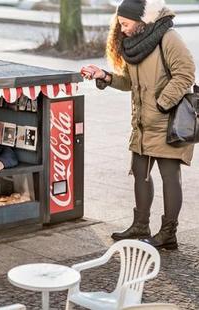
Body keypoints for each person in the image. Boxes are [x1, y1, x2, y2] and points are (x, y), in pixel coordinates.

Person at [81, 0, 195, 250]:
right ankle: (141, 225)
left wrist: (162, 103)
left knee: (169, 177)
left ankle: (168, 234)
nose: (121, 30)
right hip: (143, 124)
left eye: (125, 24)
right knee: (140, 174)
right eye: (120, 24)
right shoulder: (134, 45)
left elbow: (186, 73)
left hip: (169, 123)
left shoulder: (168, 37)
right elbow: (129, 82)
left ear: (141, 21)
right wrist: (105, 76)